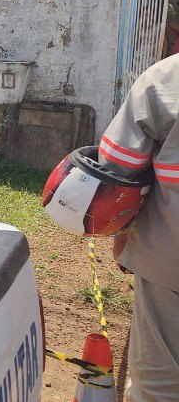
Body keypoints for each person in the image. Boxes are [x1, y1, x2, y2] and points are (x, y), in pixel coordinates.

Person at [99, 54, 178, 401]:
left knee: (158, 387)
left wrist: (124, 238)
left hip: (168, 265)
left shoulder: (165, 80)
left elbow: (118, 172)